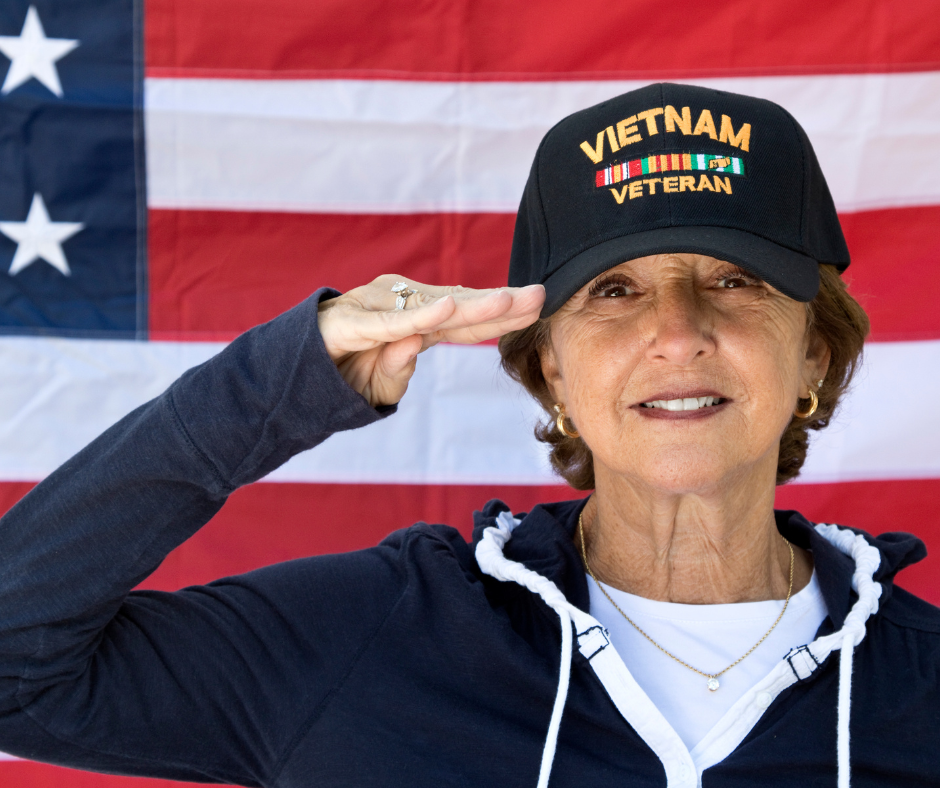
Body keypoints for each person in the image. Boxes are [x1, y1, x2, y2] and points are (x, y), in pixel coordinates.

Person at [0, 83, 937, 788]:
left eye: (734, 281)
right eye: (614, 291)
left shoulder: (920, 684)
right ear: (551, 369)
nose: (677, 331)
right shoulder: (379, 634)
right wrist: (288, 378)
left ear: (813, 354)